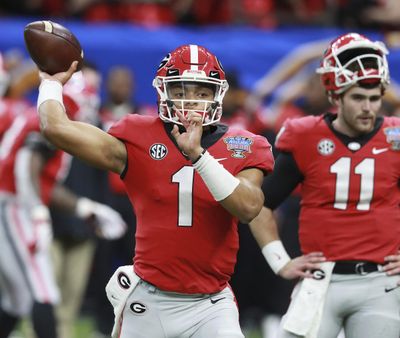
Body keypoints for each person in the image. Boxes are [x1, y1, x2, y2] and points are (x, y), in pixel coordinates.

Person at [35, 44, 274, 338]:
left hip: (210, 305)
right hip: (148, 300)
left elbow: (249, 208)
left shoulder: (245, 144)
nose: (191, 103)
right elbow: (55, 128)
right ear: (163, 92)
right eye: (182, 91)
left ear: (217, 95)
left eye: (202, 92)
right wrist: (50, 83)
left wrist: (199, 157)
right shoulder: (138, 135)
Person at [249, 32, 400, 338]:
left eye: (375, 98)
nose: (369, 108)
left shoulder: (395, 137)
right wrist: (281, 262)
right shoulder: (305, 136)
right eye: (358, 97)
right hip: (320, 279)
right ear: (336, 96)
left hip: (380, 282)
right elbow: (259, 205)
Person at [0, 71, 127, 338]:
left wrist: (84, 208)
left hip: (14, 202)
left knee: (17, 299)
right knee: (43, 288)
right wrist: (36, 212)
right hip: (11, 204)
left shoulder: (50, 119)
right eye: (87, 98)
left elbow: (45, 182)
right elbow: (26, 167)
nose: (90, 106)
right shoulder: (48, 118)